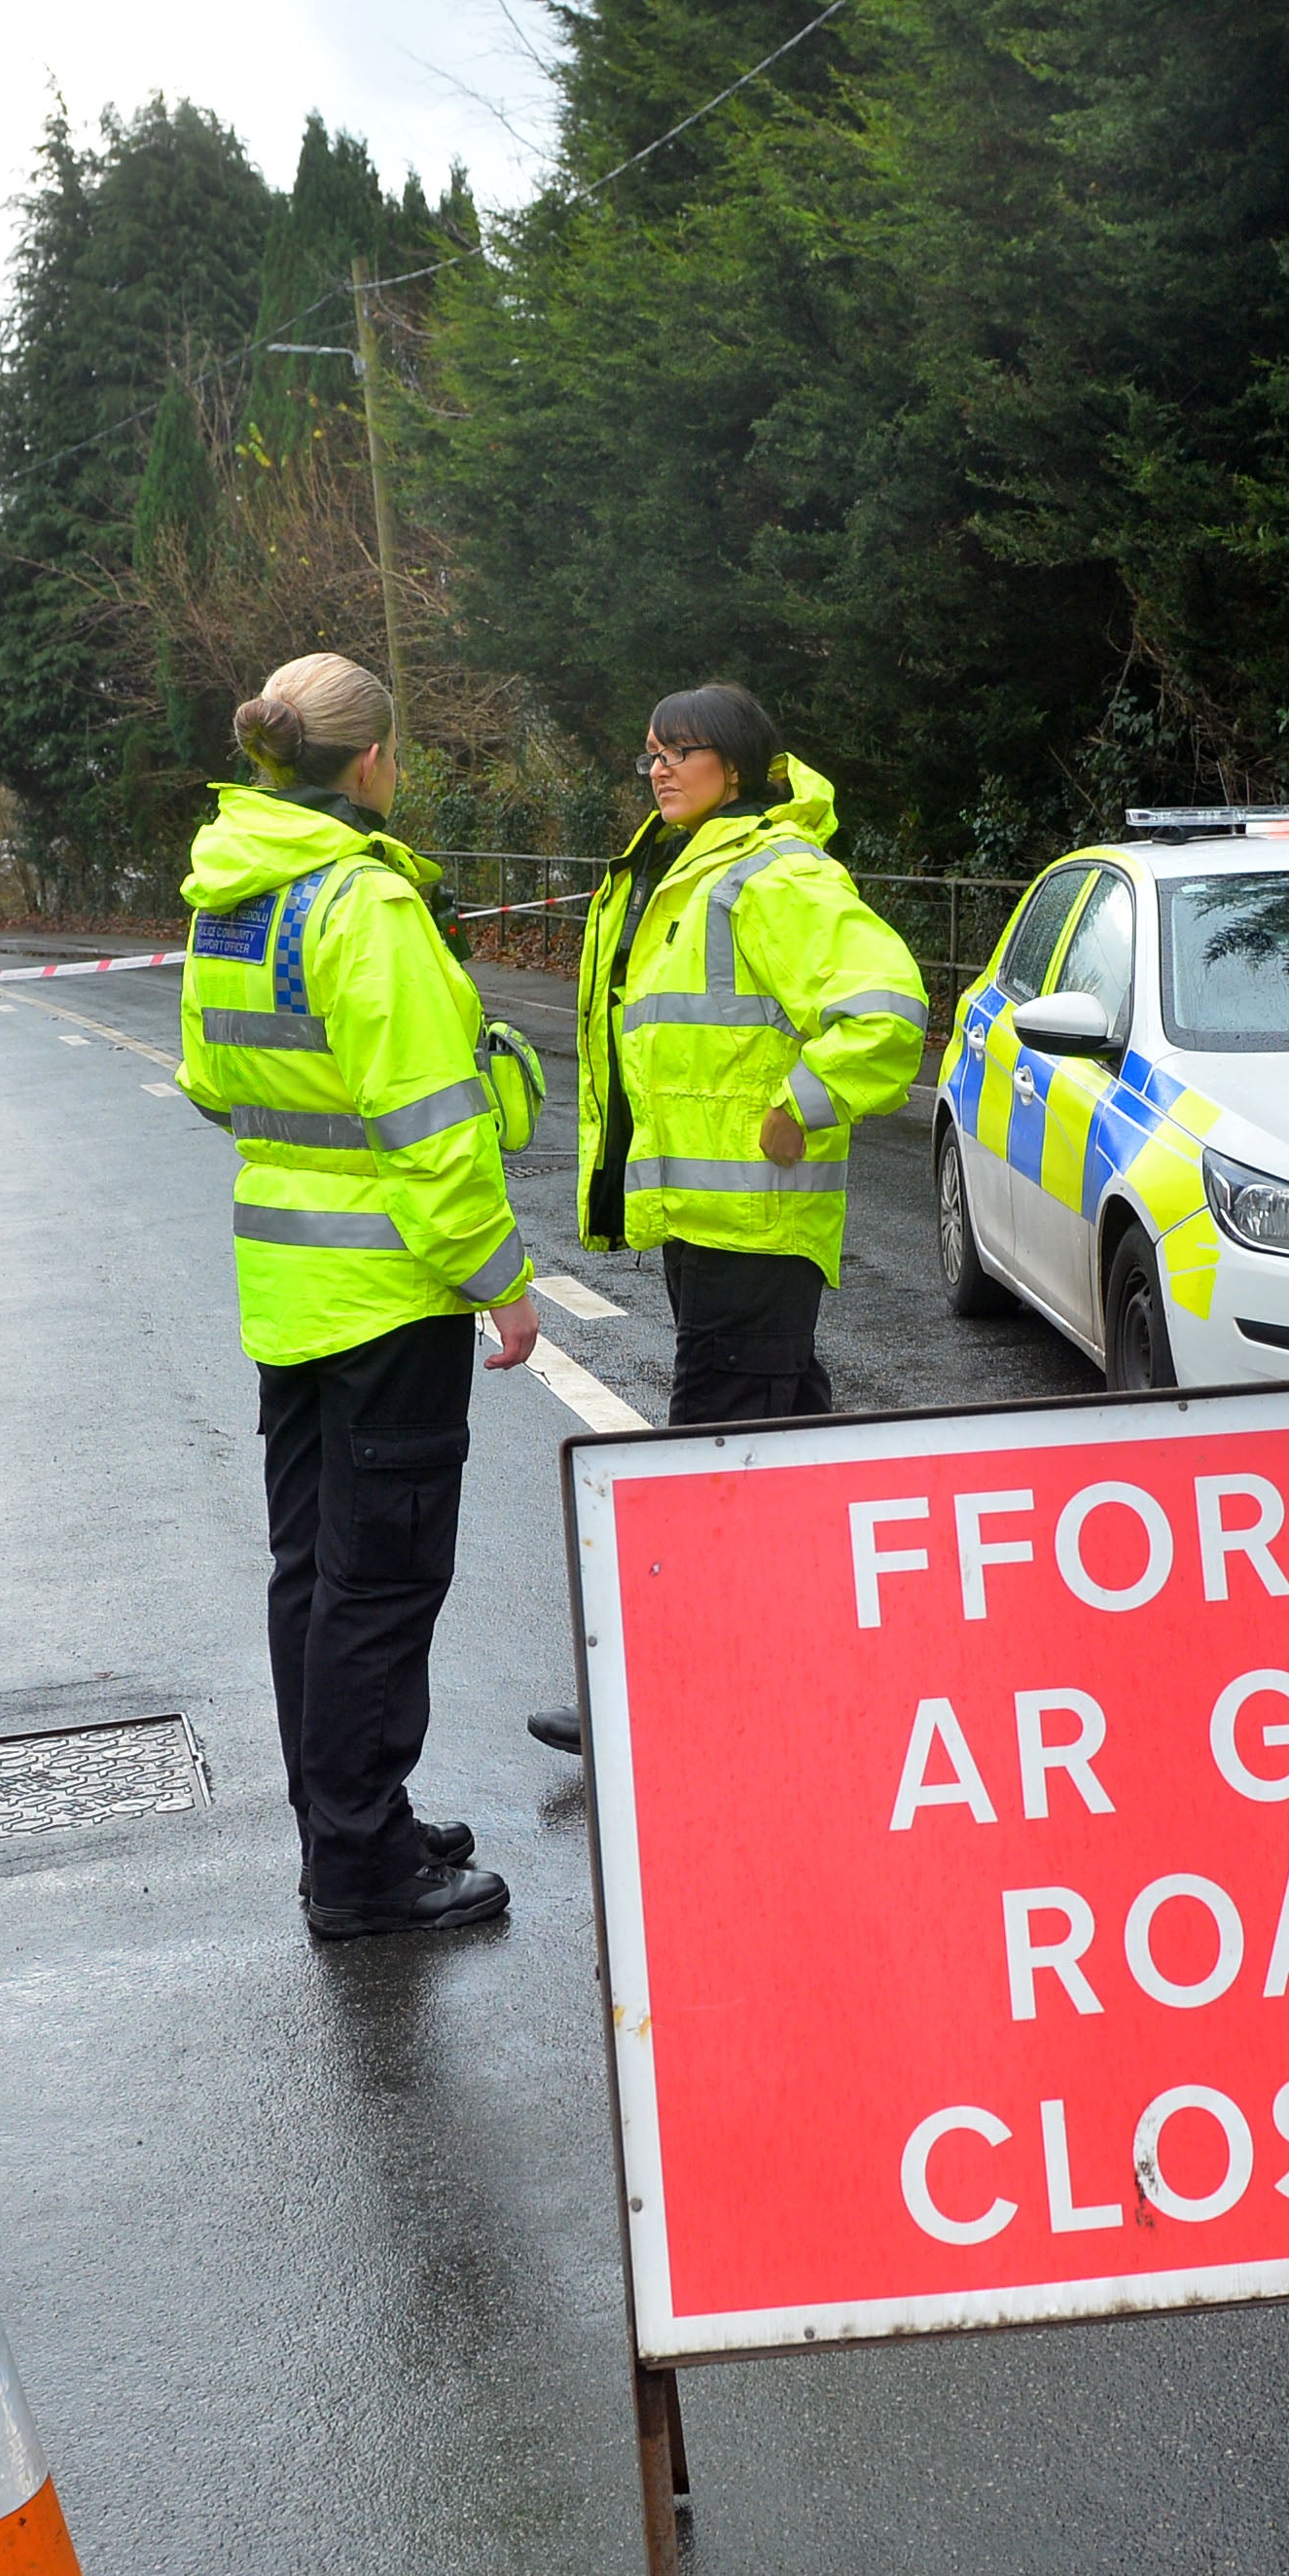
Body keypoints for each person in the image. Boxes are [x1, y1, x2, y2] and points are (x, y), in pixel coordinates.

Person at [184, 651, 542, 1938]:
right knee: (380, 1585)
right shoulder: (364, 905)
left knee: (313, 1577)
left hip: (289, 1291)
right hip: (391, 1290)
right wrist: (501, 1281)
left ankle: (345, 1828)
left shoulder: (230, 891)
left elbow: (210, 1081)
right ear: (376, 760)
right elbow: (436, 1134)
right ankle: (364, 1870)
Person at [526, 684, 927, 1754]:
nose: (658, 769)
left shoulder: (773, 874)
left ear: (736, 768)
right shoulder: (676, 872)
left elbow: (884, 1010)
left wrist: (805, 1103)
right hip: (707, 1224)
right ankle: (848, 1655)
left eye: (683, 753)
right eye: (649, 752)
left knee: (704, 1462)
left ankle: (655, 1682)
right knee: (780, 1438)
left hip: (756, 1229)